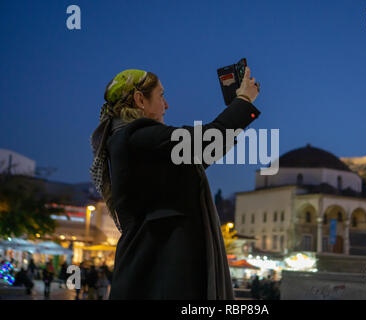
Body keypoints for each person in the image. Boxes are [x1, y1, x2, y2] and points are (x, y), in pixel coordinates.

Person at [89, 68, 260, 299]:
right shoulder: (137, 137)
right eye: (161, 95)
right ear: (140, 99)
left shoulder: (131, 142)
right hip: (159, 271)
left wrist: (236, 114)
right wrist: (243, 100)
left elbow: (199, 155)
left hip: (153, 269)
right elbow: (207, 140)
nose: (166, 105)